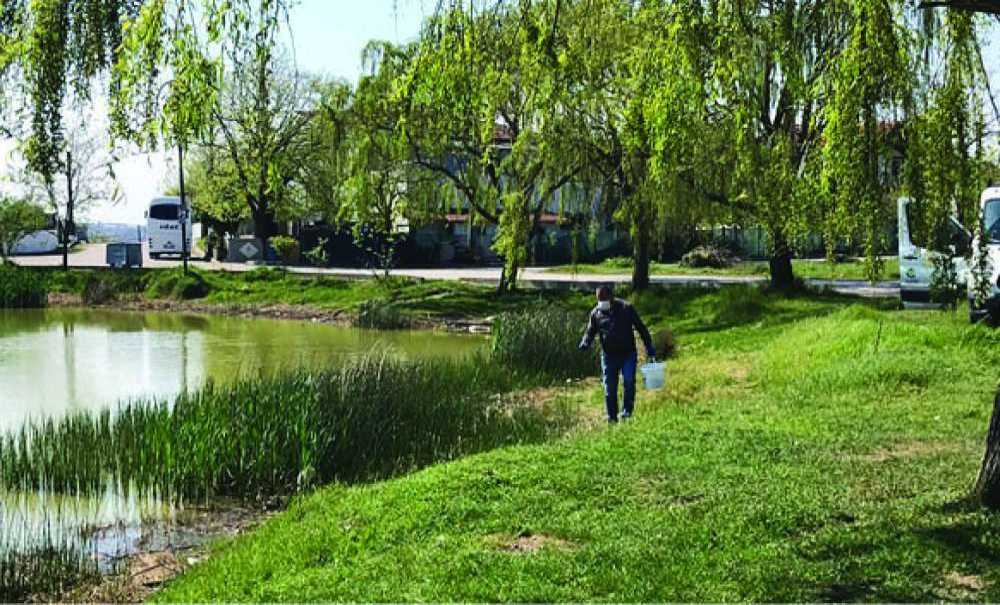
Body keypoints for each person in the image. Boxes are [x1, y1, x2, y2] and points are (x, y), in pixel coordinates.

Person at [579, 285, 656, 423]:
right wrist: (585, 342)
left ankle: (627, 412)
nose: (601, 301)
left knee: (628, 381)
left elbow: (641, 327)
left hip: (628, 354)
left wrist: (649, 345)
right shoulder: (596, 313)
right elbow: (590, 331)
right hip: (608, 356)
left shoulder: (626, 309)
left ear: (611, 297)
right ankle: (612, 417)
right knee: (610, 387)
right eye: (599, 299)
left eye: (603, 298)